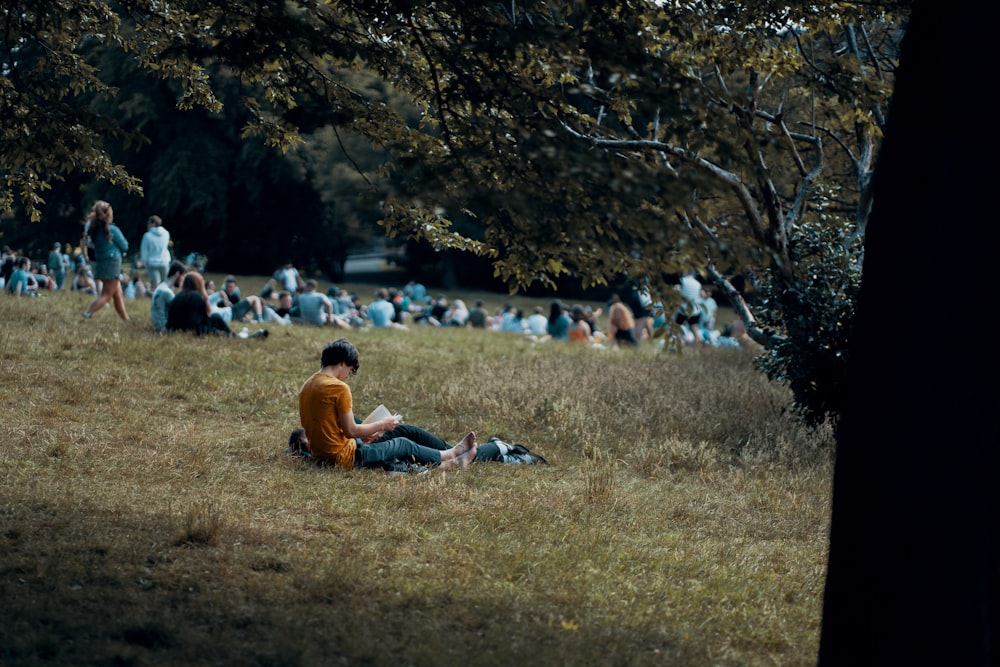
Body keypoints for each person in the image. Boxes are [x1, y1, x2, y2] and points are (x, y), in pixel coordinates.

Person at [298, 338, 478, 470]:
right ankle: (452, 454)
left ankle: (452, 458)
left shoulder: (308, 385)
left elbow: (328, 425)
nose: (347, 376)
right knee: (403, 444)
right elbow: (351, 431)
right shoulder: (338, 388)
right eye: (350, 371)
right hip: (345, 457)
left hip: (323, 454)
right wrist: (382, 424)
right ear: (343, 363)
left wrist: (369, 433)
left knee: (400, 436)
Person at [167, 271, 267, 337]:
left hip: (179, 329)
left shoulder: (177, 297)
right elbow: (205, 318)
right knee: (216, 321)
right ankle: (237, 336)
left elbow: (170, 321)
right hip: (196, 330)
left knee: (216, 317)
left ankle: (234, 334)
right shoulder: (197, 297)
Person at [81, 200, 130, 321]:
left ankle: (126, 319)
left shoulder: (94, 230)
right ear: (109, 215)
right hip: (112, 264)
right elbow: (125, 245)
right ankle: (88, 314)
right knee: (107, 295)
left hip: (101, 263)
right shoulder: (113, 229)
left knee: (117, 295)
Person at [150, 261, 187, 332]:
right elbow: (180, 311)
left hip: (158, 325)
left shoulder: (161, 287)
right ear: (177, 274)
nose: (183, 280)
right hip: (164, 328)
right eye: (182, 276)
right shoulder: (167, 292)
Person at [140, 215, 171, 289]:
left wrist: (145, 262)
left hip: (152, 262)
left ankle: (155, 298)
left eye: (149, 223)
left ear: (153, 224)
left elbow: (144, 251)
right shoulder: (166, 233)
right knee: (165, 283)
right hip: (164, 261)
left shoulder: (147, 236)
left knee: (155, 283)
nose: (148, 225)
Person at [674, 271, 704, 345]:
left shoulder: (682, 281)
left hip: (683, 309)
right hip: (694, 310)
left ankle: (678, 344)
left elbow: (676, 290)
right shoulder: (698, 284)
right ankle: (699, 344)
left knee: (677, 328)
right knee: (694, 328)